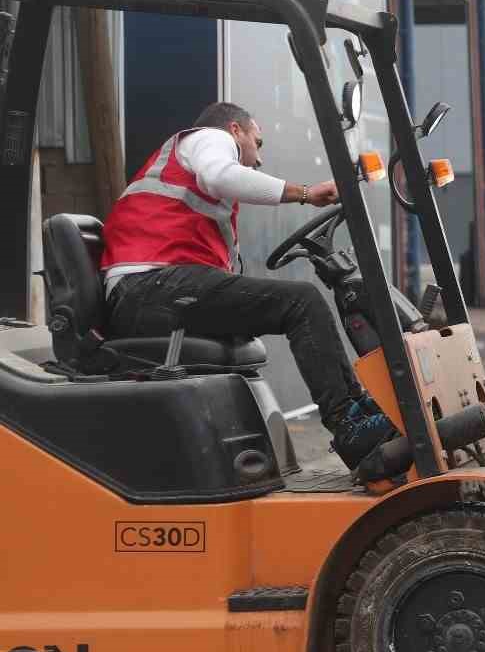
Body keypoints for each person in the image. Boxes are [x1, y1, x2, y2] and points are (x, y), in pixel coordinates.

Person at [100, 101, 399, 466]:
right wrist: (304, 193)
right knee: (301, 302)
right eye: (258, 142)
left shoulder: (204, 192)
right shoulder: (204, 139)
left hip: (160, 288)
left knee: (298, 301)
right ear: (235, 131)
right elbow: (220, 175)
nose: (258, 159)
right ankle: (347, 423)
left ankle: (358, 409)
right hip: (151, 288)